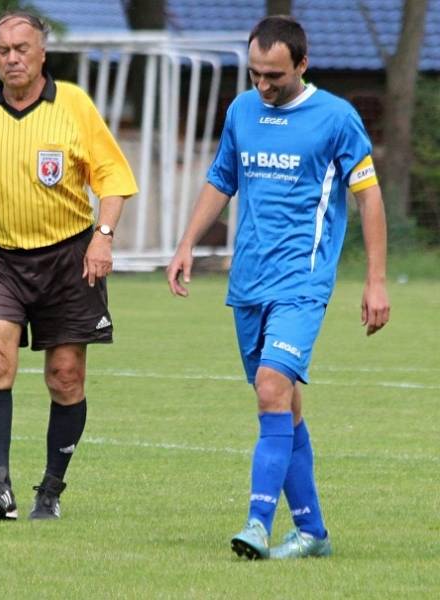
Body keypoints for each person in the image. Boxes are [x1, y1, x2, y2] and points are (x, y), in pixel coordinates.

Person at [167, 15, 390, 560]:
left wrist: (376, 280)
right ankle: (312, 532)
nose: (263, 86)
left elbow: (369, 198)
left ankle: (257, 525)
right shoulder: (242, 110)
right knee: (283, 407)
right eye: (254, 75)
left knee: (271, 387)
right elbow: (222, 179)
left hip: (303, 282)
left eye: (274, 76)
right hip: (249, 283)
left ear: (302, 65)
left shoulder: (337, 118)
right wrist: (186, 243)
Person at [0, 11, 138, 521]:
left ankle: (50, 491)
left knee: (66, 375)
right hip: (1, 257)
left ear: (42, 54)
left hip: (69, 259)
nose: (13, 58)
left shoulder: (73, 105)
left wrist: (103, 237)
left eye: (22, 48)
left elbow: (114, 180)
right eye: (3, 50)